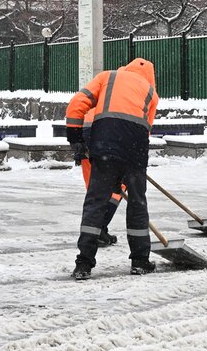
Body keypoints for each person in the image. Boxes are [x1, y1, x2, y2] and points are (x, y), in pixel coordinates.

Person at [66, 58, 158, 279]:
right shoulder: (151, 93)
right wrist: (132, 160)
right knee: (137, 203)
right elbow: (147, 129)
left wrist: (75, 138)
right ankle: (140, 261)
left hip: (104, 144)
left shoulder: (108, 77)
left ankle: (83, 264)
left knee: (95, 202)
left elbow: (77, 104)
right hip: (135, 148)